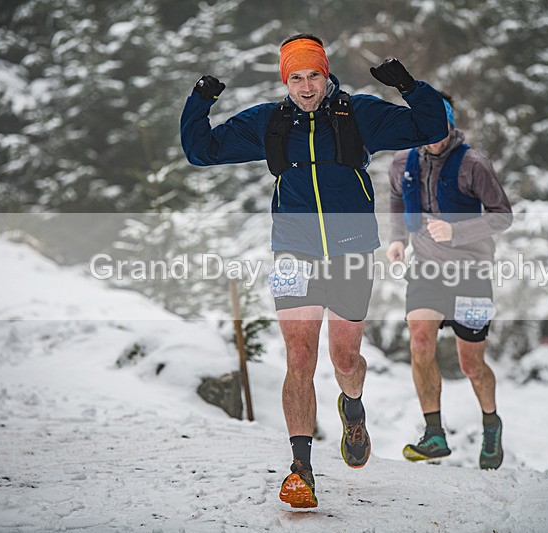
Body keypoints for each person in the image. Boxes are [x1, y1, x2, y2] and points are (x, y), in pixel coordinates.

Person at [181, 33, 447, 508]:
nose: (306, 87)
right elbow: (201, 151)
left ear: (327, 75)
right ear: (287, 81)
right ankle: (301, 469)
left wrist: (408, 85)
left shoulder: (357, 114)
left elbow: (432, 126)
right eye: (296, 77)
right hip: (292, 250)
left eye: (314, 75)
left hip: (350, 251)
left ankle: (353, 405)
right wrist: (200, 99)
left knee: (345, 361)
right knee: (299, 359)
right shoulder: (270, 122)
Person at [387, 93, 513, 469]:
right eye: (425, 127)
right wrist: (396, 238)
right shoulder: (401, 161)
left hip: (472, 274)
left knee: (471, 363)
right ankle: (434, 434)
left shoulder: (473, 164)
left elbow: (502, 215)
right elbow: (396, 198)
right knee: (420, 338)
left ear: (450, 122)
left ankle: (491, 423)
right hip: (426, 269)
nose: (433, 134)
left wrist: (456, 231)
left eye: (440, 125)